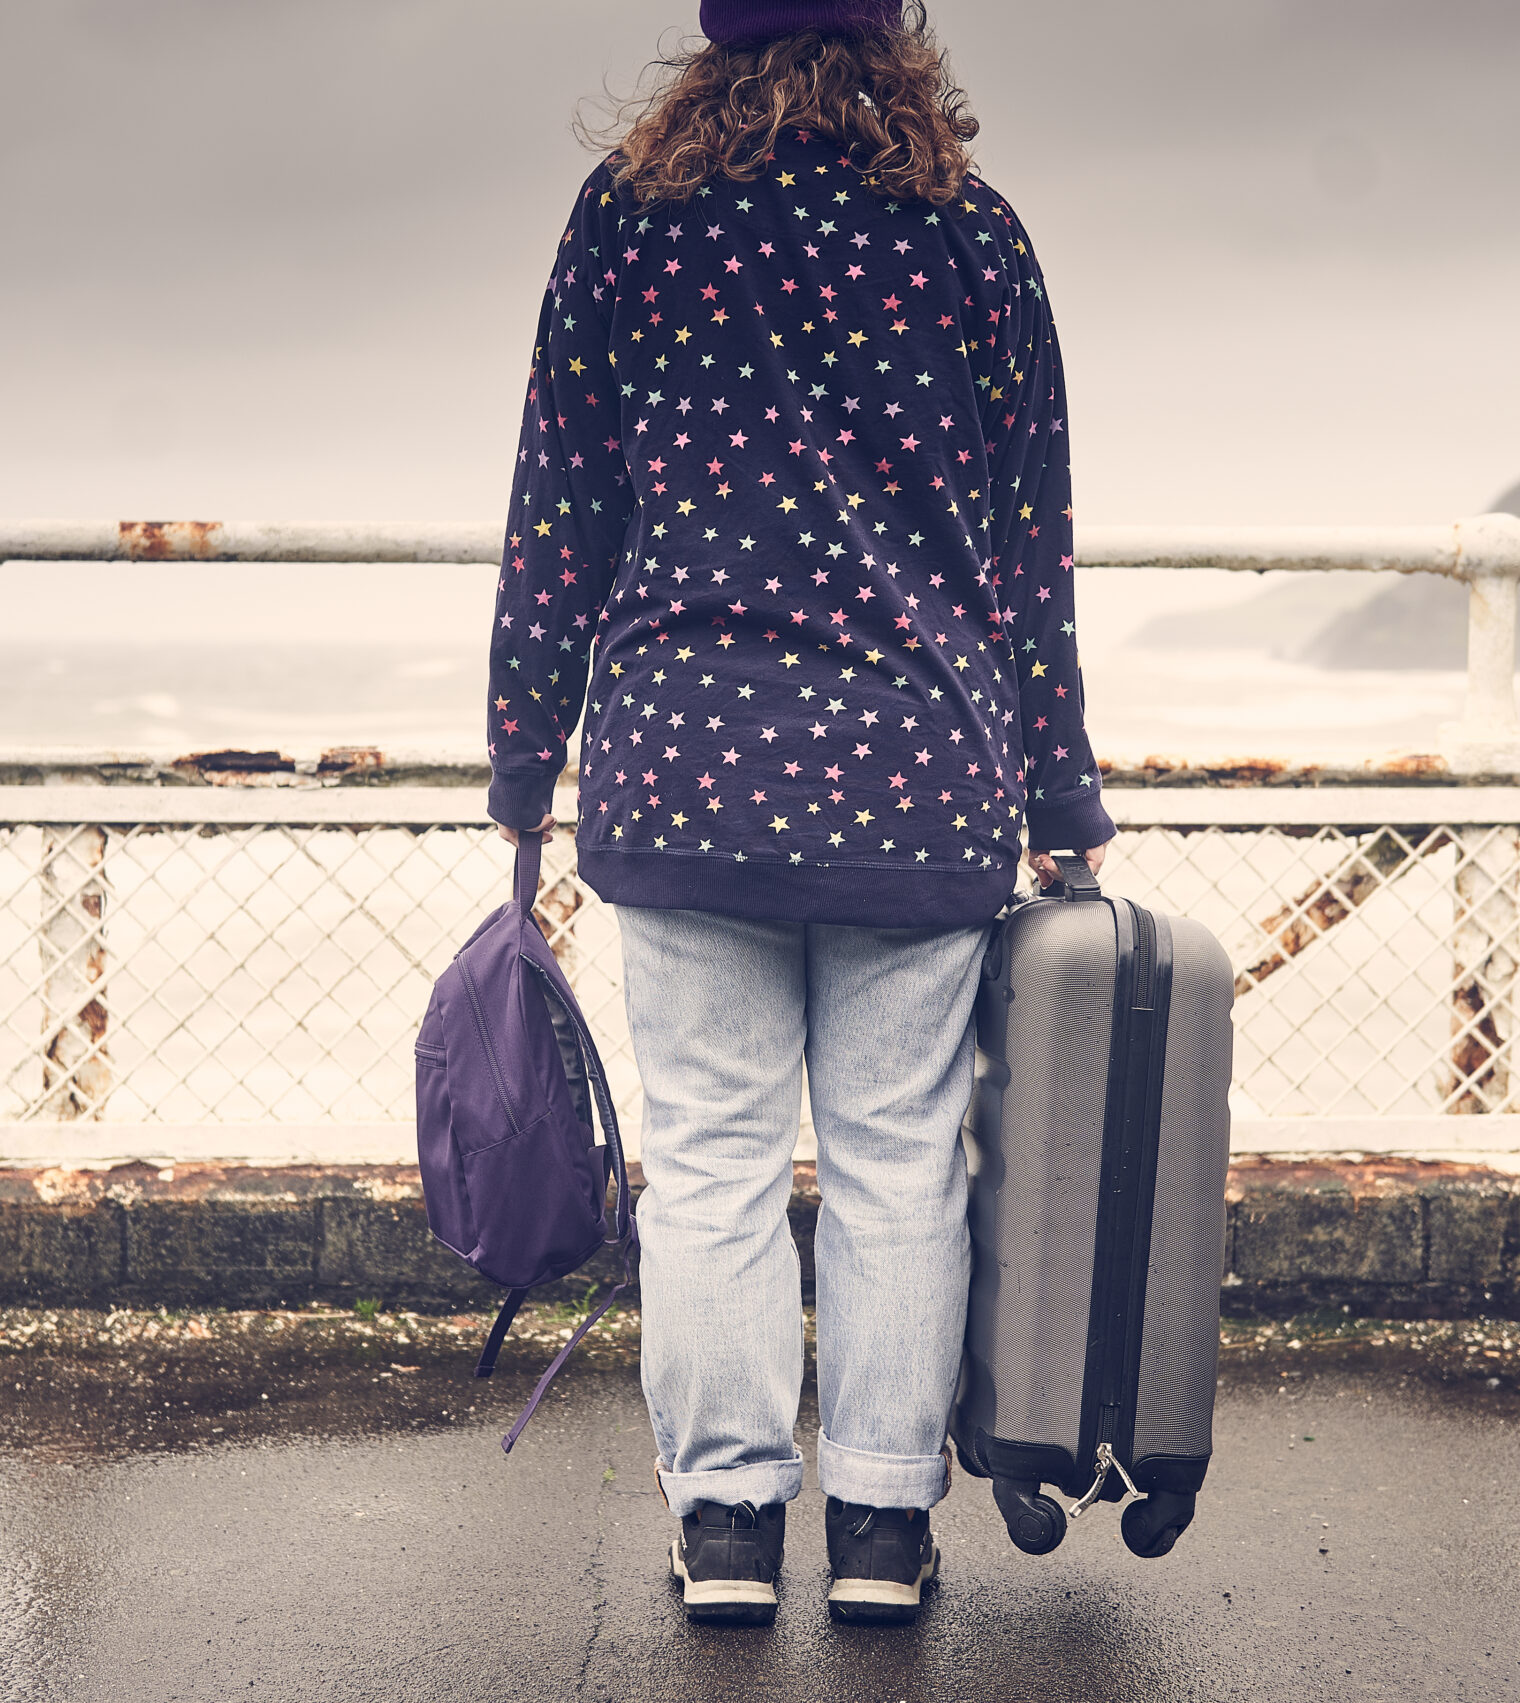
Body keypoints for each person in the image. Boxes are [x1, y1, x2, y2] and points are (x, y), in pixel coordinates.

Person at [484, 0, 1112, 1627]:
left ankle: (730, 1532)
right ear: (894, 40)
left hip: (684, 762)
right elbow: (1027, 550)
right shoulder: (973, 236)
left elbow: (559, 511)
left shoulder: (632, 221)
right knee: (904, 1167)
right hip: (922, 777)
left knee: (708, 1170)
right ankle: (886, 1536)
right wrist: (1065, 797)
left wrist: (519, 764)